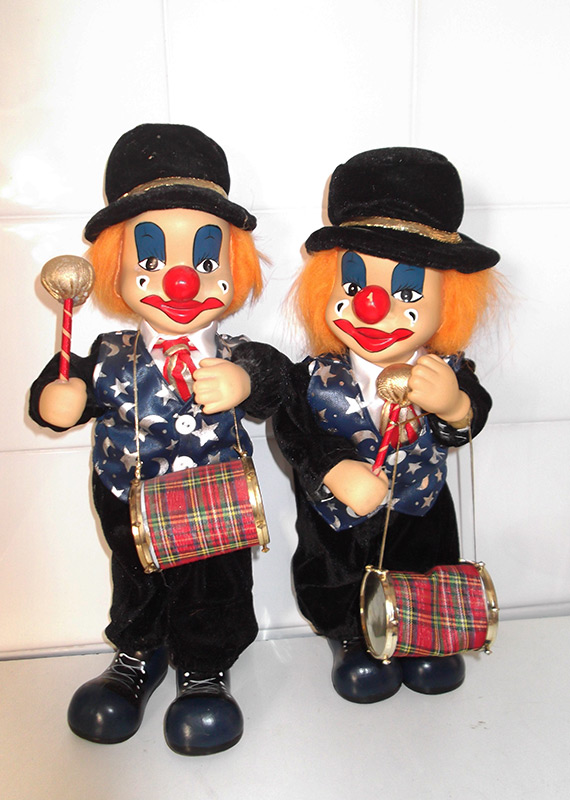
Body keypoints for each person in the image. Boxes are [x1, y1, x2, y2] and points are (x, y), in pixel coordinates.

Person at [29, 123, 290, 755]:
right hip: (130, 505)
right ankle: (138, 655)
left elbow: (282, 383)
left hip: (215, 508)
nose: (181, 282)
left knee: (215, 586)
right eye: (151, 261)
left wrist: (246, 380)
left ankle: (205, 666)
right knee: (136, 582)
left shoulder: (234, 352)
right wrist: (57, 400)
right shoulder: (107, 353)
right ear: (115, 271)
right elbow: (62, 391)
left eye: (205, 261)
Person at [273, 146, 500, 702]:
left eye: (407, 292)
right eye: (353, 285)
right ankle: (352, 638)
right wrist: (334, 469)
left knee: (425, 565)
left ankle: (423, 635)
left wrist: (454, 406)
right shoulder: (311, 378)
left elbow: (471, 417)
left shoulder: (447, 371)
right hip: (342, 530)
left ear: (450, 299)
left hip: (422, 513)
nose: (372, 306)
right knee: (339, 578)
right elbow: (293, 430)